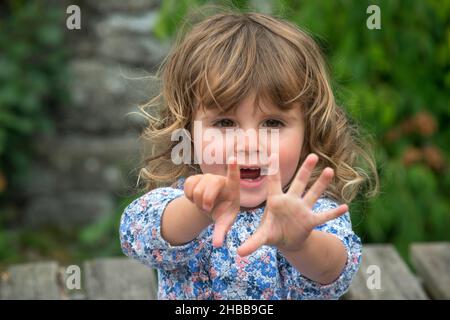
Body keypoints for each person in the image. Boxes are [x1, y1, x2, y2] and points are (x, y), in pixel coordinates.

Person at [120, 10, 378, 300]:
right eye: (225, 123)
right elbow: (136, 238)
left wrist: (299, 244)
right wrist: (200, 211)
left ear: (309, 132)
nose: (250, 143)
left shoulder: (308, 211)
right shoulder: (181, 199)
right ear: (188, 130)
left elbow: (334, 272)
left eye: (273, 123)